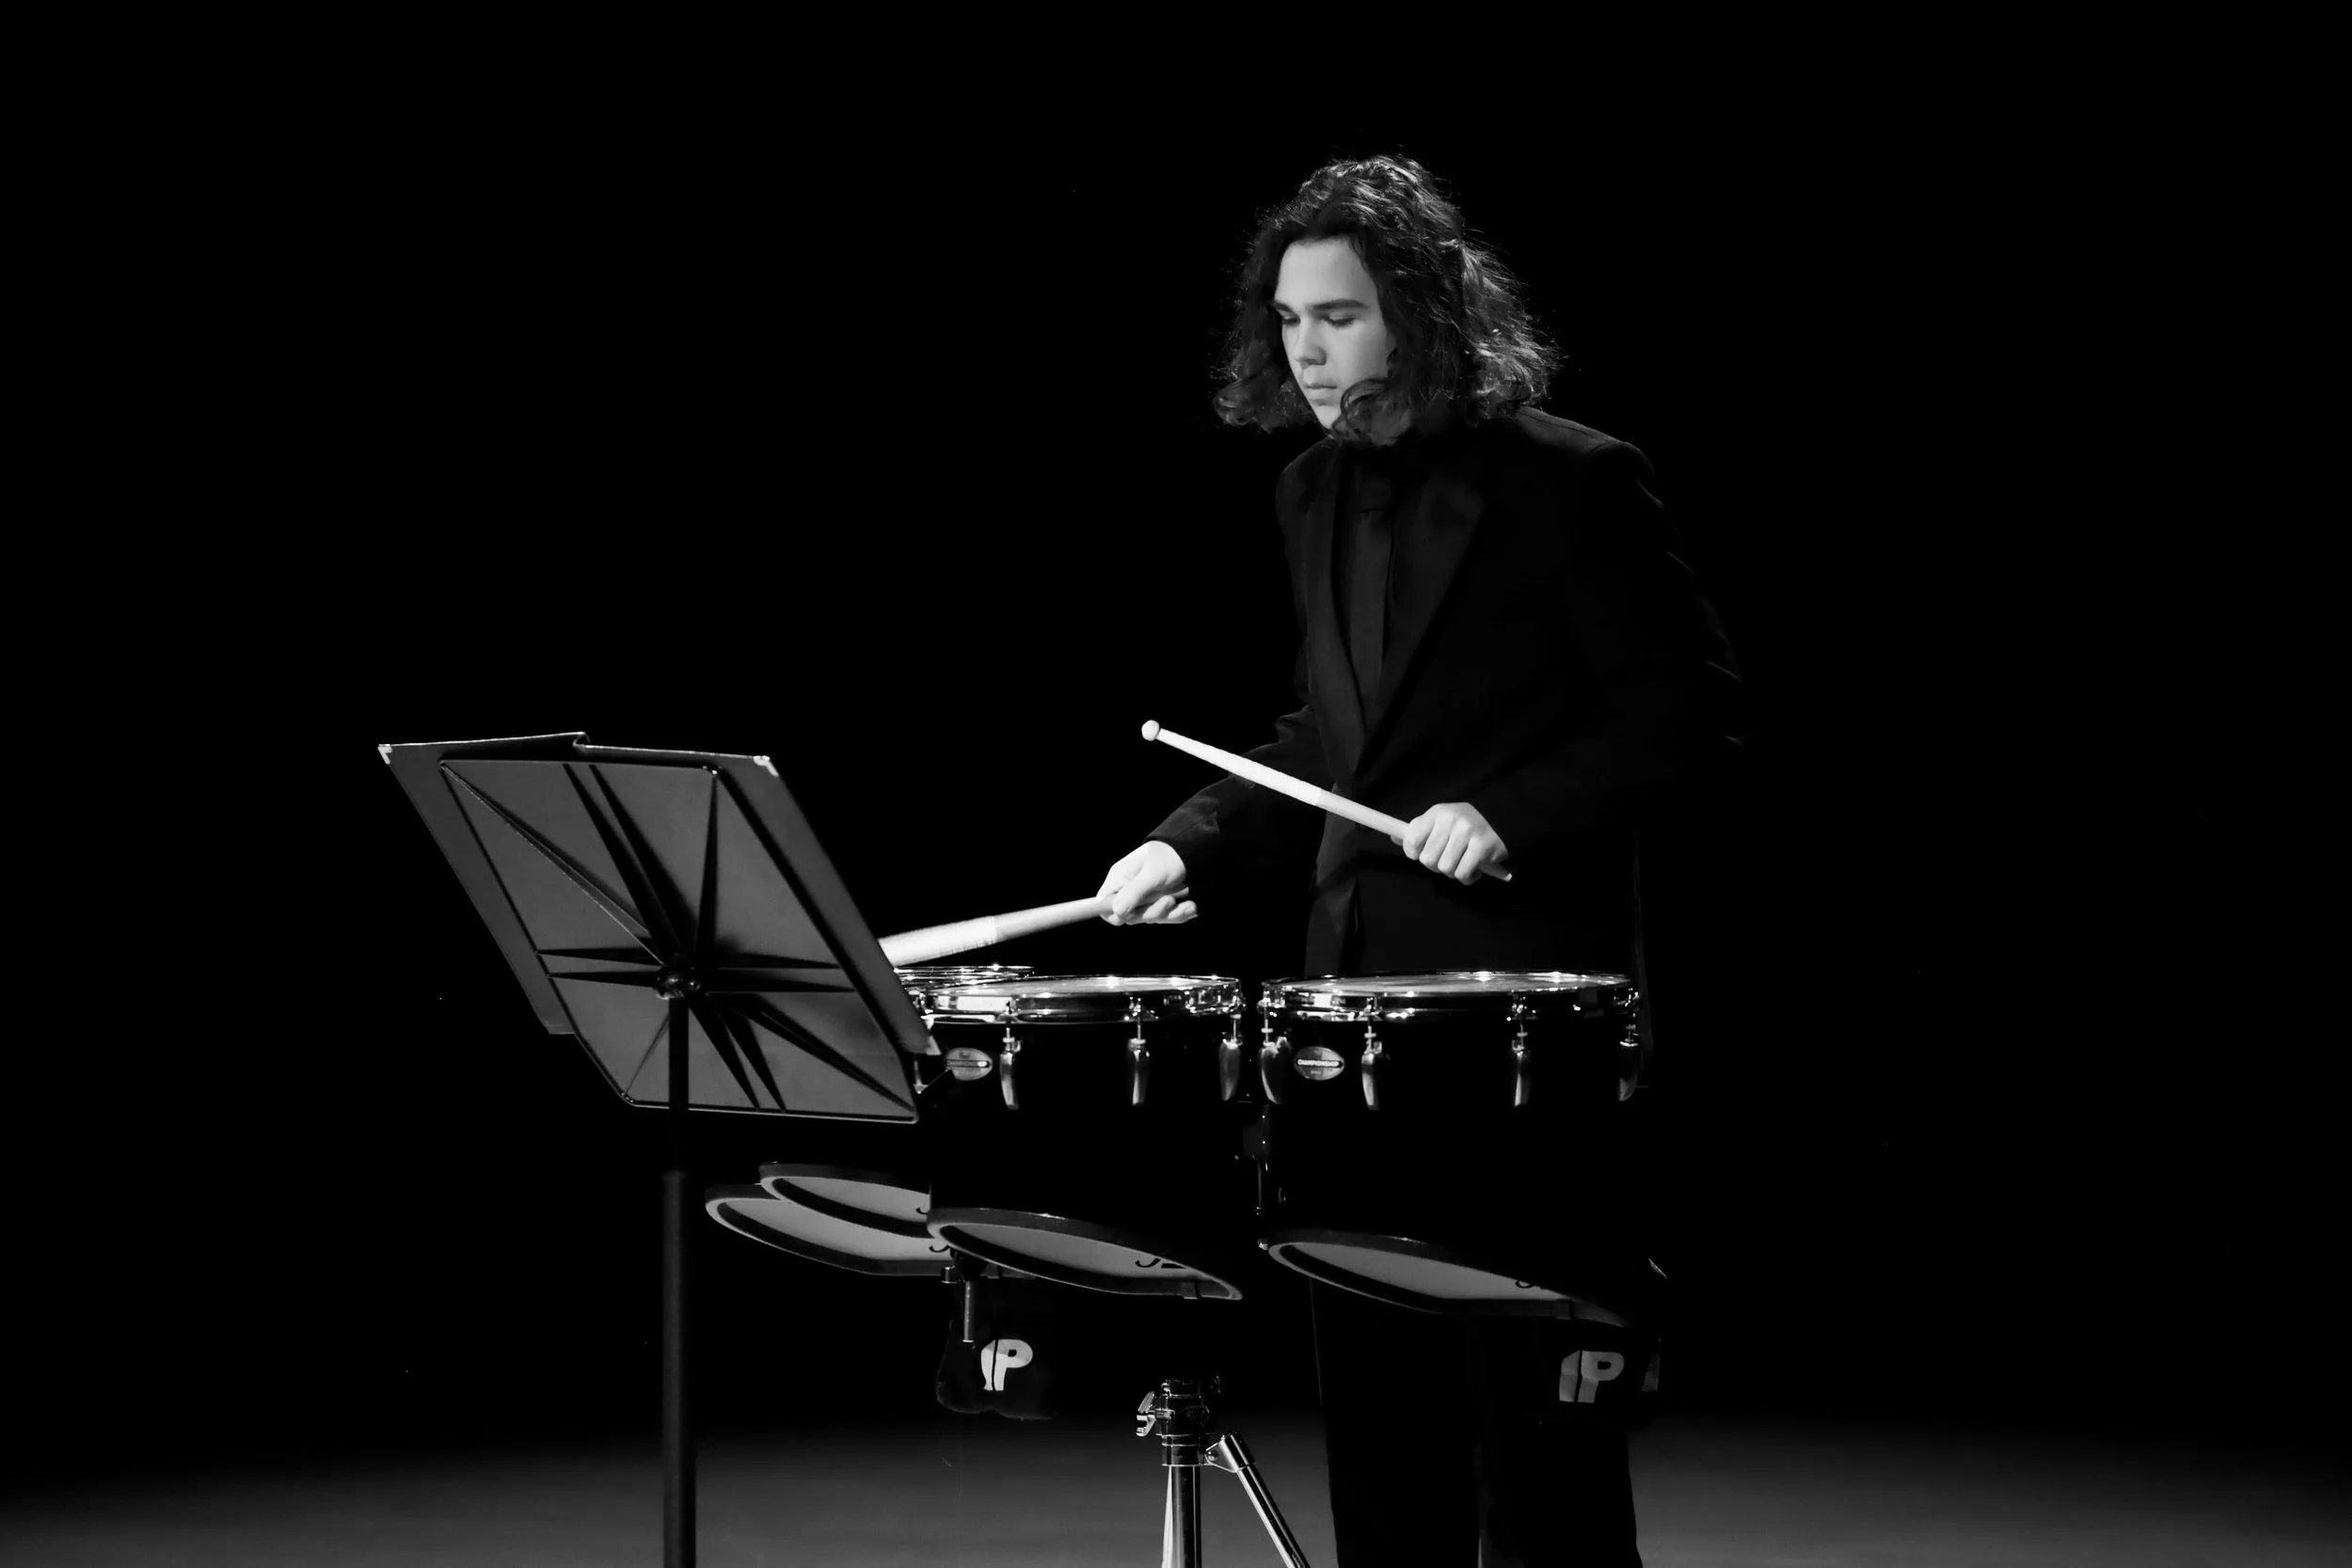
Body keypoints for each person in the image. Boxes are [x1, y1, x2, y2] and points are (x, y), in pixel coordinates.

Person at [1096, 155, 1742, 1568]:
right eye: (1289, 321)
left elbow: (1686, 715)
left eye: (1339, 317)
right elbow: (1330, 740)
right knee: (1379, 1424)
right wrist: (1188, 842)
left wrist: (1512, 808)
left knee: (1540, 1442)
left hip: (1526, 1033)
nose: (1309, 351)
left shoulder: (1578, 482)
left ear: (1425, 313)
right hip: (1350, 1020)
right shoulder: (1309, 492)